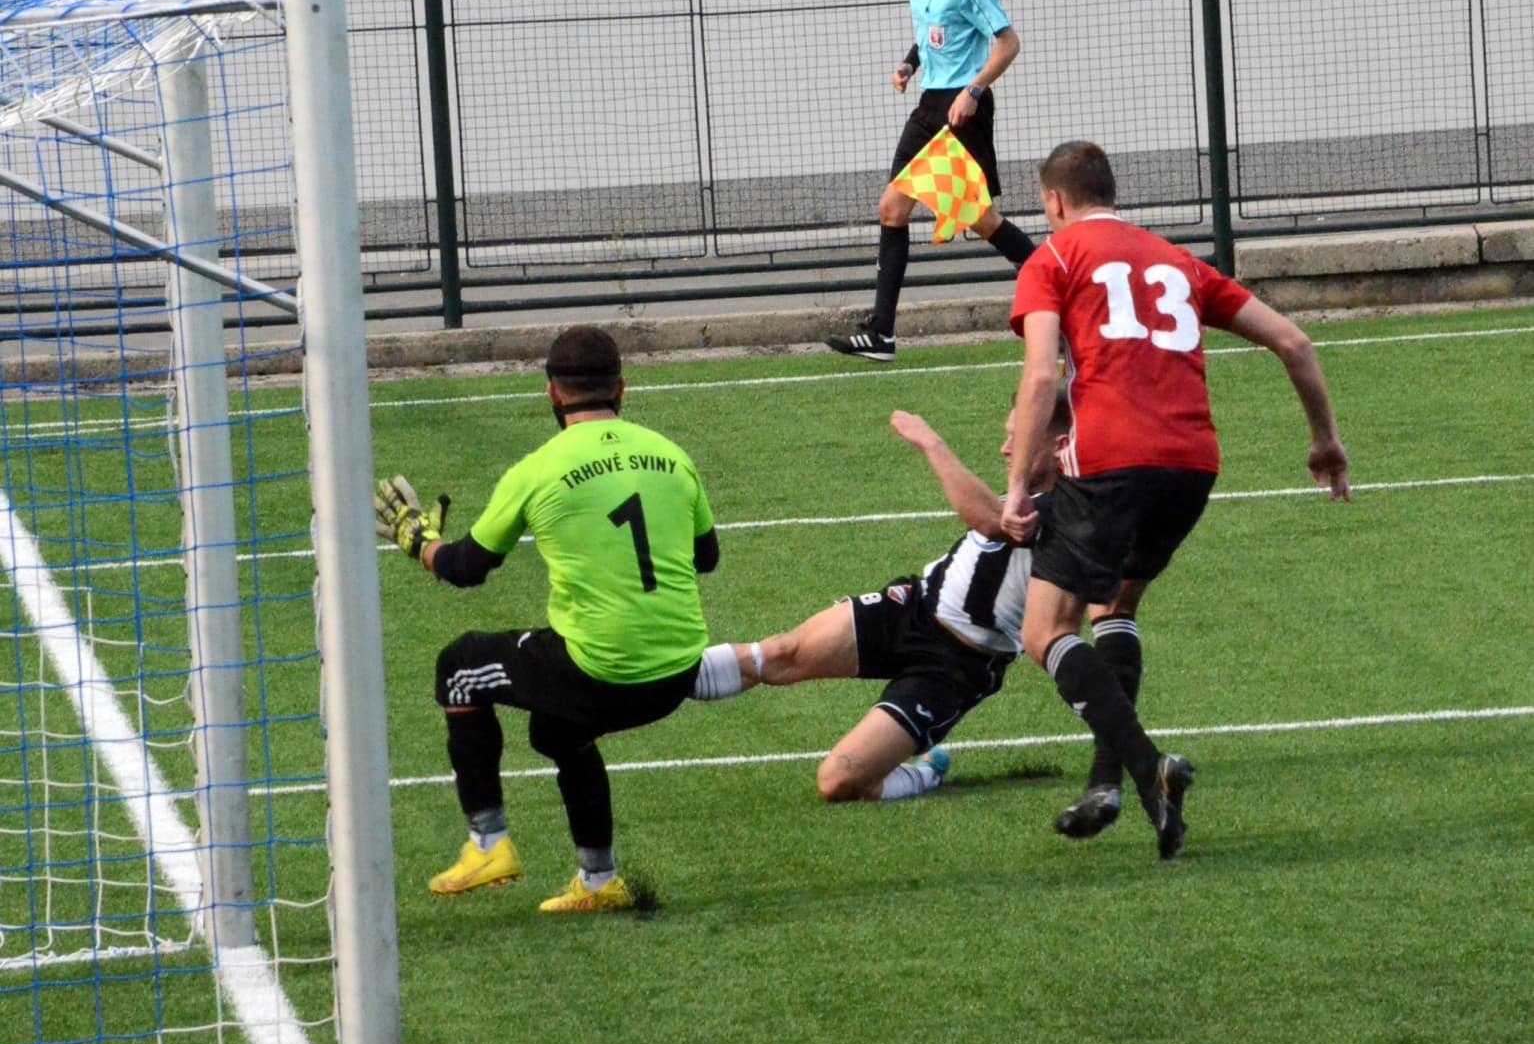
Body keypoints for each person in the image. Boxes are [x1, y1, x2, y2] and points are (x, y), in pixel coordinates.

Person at [1000, 140, 1351, 860]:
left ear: (1054, 201)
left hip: (1109, 461)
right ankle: (1105, 785)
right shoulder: (1179, 261)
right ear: (1112, 192)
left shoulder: (1054, 258)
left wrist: (1014, 487)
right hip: (1192, 465)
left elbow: (1039, 379)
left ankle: (1146, 766)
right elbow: (1294, 342)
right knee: (1114, 608)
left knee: (1044, 631)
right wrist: (1324, 442)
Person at [374, 326, 720, 912]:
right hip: (679, 671)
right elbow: (706, 557)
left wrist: (418, 539)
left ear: (552, 393)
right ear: (622, 389)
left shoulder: (537, 470)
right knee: (557, 730)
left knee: (460, 667)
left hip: (603, 671)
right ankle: (599, 882)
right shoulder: (673, 455)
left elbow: (466, 568)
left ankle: (488, 844)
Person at [691, 396, 1070, 804]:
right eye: (1009, 436)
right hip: (912, 607)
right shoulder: (1031, 490)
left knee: (838, 780)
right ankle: (662, 680)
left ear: (1060, 446)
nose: (1006, 449)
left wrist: (932, 444)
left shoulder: (1072, 510)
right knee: (779, 654)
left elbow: (993, 523)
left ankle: (924, 774)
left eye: (1019, 439)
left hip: (957, 665)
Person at [827, 0, 1035, 363]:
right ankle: (881, 334)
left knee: (978, 219)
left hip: (962, 110)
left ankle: (1053, 278)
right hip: (928, 106)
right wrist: (909, 63)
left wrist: (974, 91)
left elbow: (1008, 43)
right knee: (893, 208)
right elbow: (931, 34)